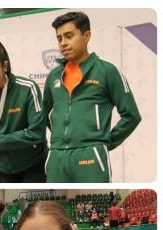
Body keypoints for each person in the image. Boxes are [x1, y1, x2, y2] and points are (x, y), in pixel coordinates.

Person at [44, 11, 141, 182]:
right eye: (59, 38)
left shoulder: (107, 71)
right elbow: (44, 115)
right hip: (56, 157)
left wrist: (103, 143)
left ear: (86, 36)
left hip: (91, 157)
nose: (63, 43)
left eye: (69, 36)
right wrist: (63, 137)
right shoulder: (53, 77)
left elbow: (131, 115)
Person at [0, 37, 47, 183]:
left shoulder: (27, 88)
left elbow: (37, 133)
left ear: (4, 65)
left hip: (33, 166)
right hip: (3, 169)